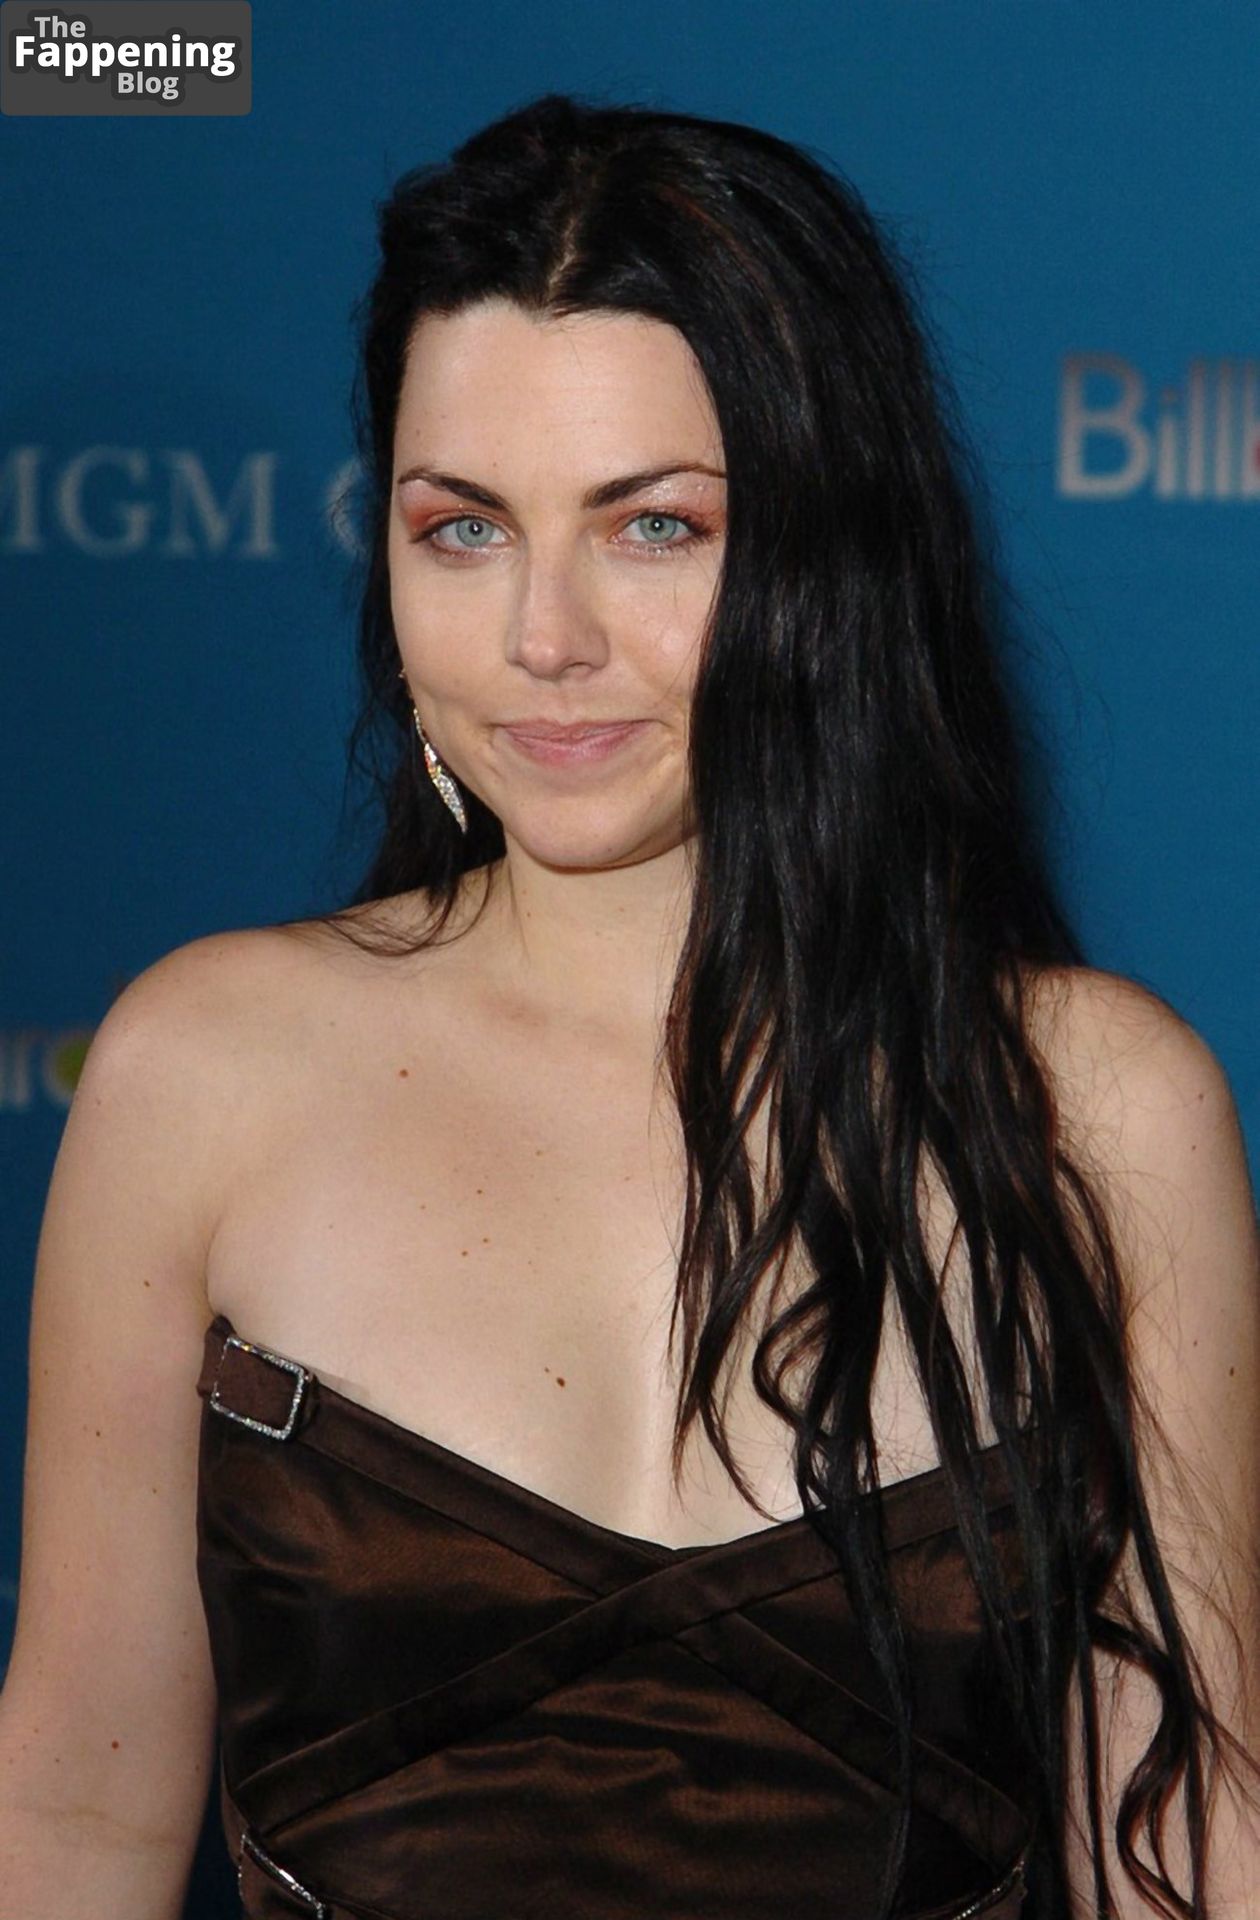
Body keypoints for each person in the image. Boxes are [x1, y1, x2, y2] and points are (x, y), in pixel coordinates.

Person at [1, 90, 1257, 1920]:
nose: (545, 637)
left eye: (653, 527)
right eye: (462, 529)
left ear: (829, 553)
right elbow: (74, 1821)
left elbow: (1199, 1850)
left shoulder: (1089, 1108)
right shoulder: (203, 1075)